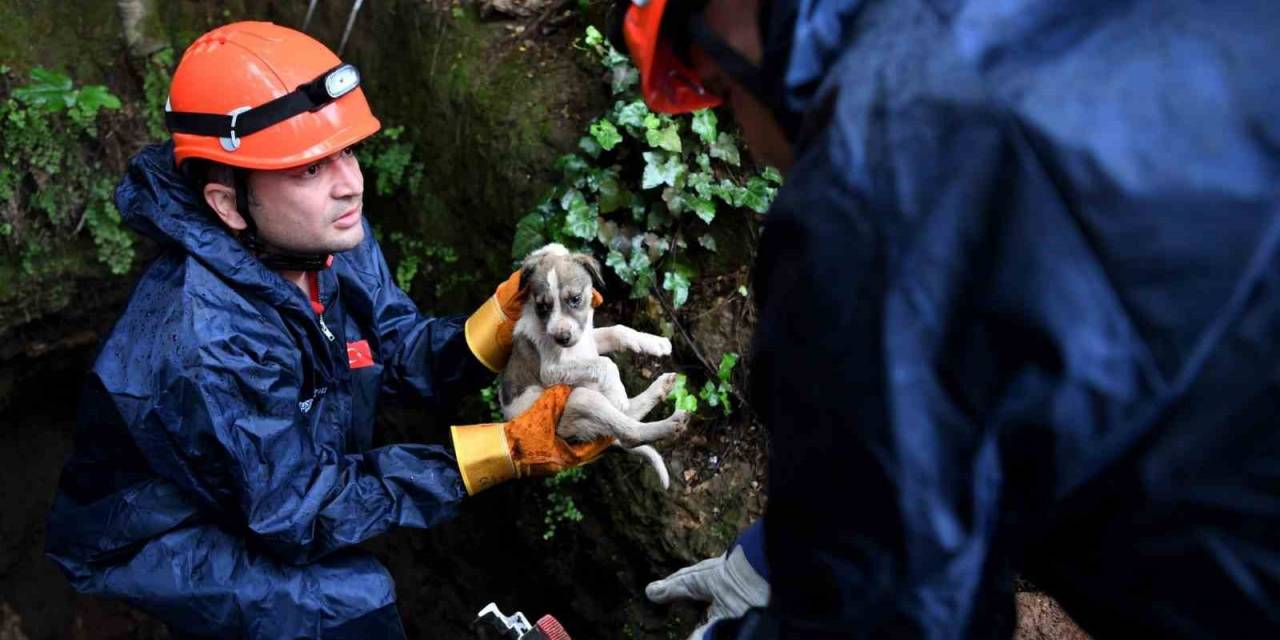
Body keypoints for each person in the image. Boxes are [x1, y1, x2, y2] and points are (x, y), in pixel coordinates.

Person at [616, 0, 1280, 637]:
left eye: (717, 88)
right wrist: (784, 562)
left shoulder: (867, 186)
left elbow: (885, 621)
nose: (749, 143)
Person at [44, 21, 610, 639]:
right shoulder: (205, 336)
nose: (351, 183)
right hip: (153, 531)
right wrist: (503, 450)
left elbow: (397, 349)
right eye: (309, 169)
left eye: (345, 151)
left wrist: (507, 319)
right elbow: (295, 511)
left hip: (271, 474)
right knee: (344, 600)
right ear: (227, 203)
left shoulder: (324, 240)